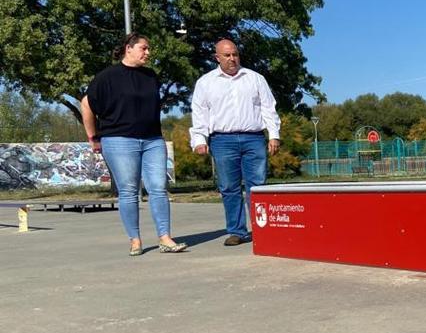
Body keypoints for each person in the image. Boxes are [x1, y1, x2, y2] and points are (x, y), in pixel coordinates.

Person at [81, 33, 188, 256]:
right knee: (129, 191)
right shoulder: (107, 77)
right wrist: (93, 138)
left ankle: (165, 238)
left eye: (149, 49)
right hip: (119, 140)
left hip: (152, 140)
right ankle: (135, 240)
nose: (148, 53)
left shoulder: (151, 76)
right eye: (144, 48)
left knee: (158, 187)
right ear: (128, 49)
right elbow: (87, 105)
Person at [189, 39, 281, 246]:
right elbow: (200, 113)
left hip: (253, 138)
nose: (232, 59)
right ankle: (237, 231)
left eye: (235, 54)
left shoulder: (255, 79)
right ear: (217, 58)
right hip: (222, 140)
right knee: (229, 187)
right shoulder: (205, 82)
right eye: (227, 55)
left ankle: (262, 229)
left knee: (257, 186)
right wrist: (199, 139)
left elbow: (268, 107)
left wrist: (274, 134)